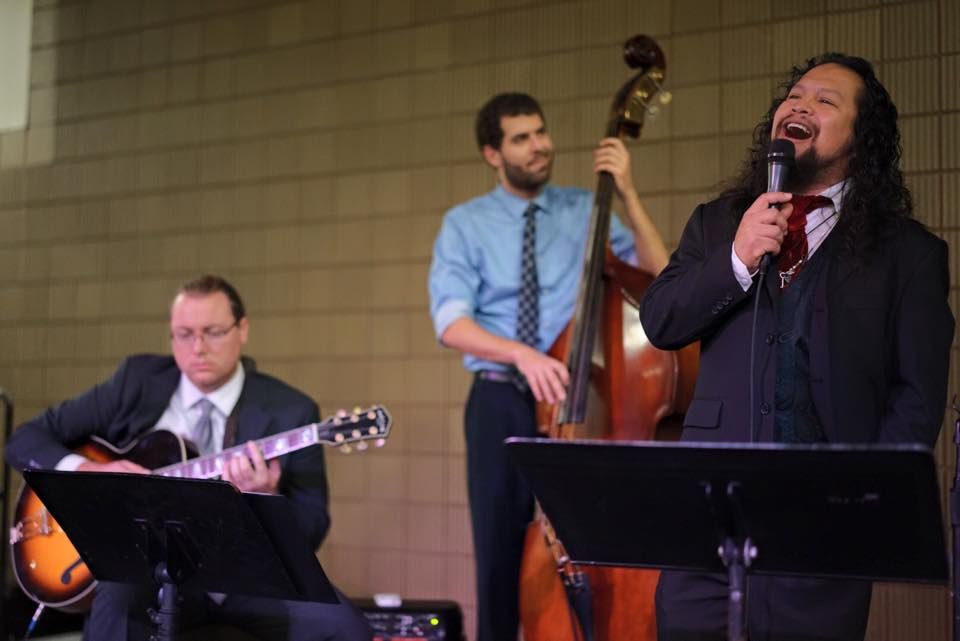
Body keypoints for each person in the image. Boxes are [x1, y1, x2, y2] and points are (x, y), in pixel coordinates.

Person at [639, 53, 954, 641]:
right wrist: (736, 259)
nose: (800, 105)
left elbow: (916, 396)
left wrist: (863, 497)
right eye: (795, 95)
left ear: (862, 138)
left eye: (825, 101)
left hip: (825, 530)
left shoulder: (909, 255)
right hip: (707, 523)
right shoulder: (718, 223)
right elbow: (660, 320)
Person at [6, 275, 373, 641]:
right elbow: (25, 440)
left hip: (245, 581)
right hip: (145, 573)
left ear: (242, 330)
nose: (198, 348)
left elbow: (312, 525)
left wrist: (267, 499)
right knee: (118, 597)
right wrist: (89, 471)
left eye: (213, 332)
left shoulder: (291, 410)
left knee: (345, 628)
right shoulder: (137, 381)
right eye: (184, 334)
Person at [428, 92, 668, 641]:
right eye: (522, 138)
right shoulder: (465, 224)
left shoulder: (586, 209)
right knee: (497, 558)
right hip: (501, 399)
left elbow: (660, 278)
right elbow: (451, 324)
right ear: (493, 154)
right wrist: (522, 353)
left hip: (577, 402)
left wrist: (628, 193)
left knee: (588, 547)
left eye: (541, 132)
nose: (540, 146)